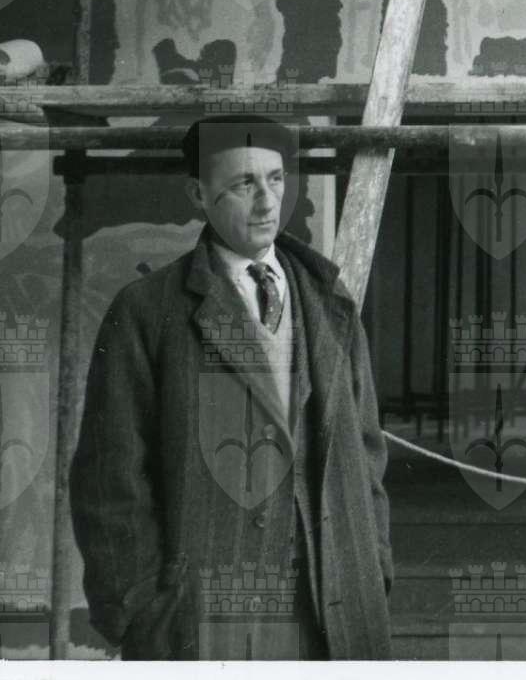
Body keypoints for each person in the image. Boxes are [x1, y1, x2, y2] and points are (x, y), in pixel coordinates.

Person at [69, 114, 394, 660]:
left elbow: (367, 453)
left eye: (276, 179)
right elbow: (110, 480)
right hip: (207, 612)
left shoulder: (330, 302)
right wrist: (143, 610)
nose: (267, 203)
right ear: (198, 193)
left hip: (335, 605)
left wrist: (373, 566)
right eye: (244, 184)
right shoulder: (147, 310)